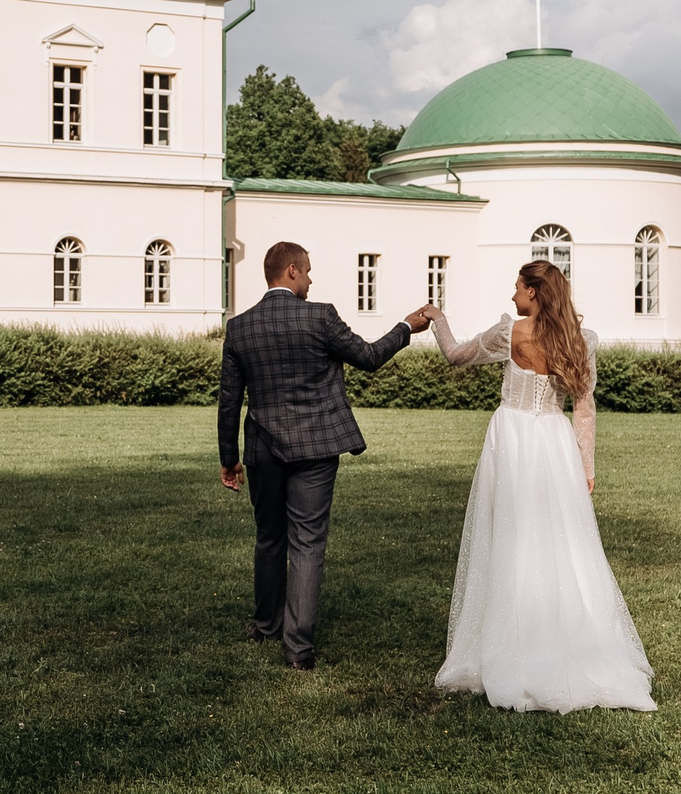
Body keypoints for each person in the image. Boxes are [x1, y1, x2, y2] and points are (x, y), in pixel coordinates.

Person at [426, 259, 655, 712]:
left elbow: (455, 355)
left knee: (508, 536)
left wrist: (438, 319)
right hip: (554, 443)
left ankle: (509, 643)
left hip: (511, 438)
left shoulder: (508, 332)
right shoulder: (580, 340)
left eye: (516, 287)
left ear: (534, 293)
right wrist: (586, 466)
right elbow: (584, 409)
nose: (512, 295)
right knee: (558, 541)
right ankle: (565, 641)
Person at [218, 241, 435, 669]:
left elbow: (229, 401)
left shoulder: (239, 326)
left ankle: (266, 625)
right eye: (310, 271)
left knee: (269, 537)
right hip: (316, 447)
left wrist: (229, 458)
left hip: (262, 447)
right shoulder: (321, 316)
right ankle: (297, 652)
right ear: (293, 271)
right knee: (307, 542)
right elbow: (370, 357)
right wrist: (406, 327)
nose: (312, 280)